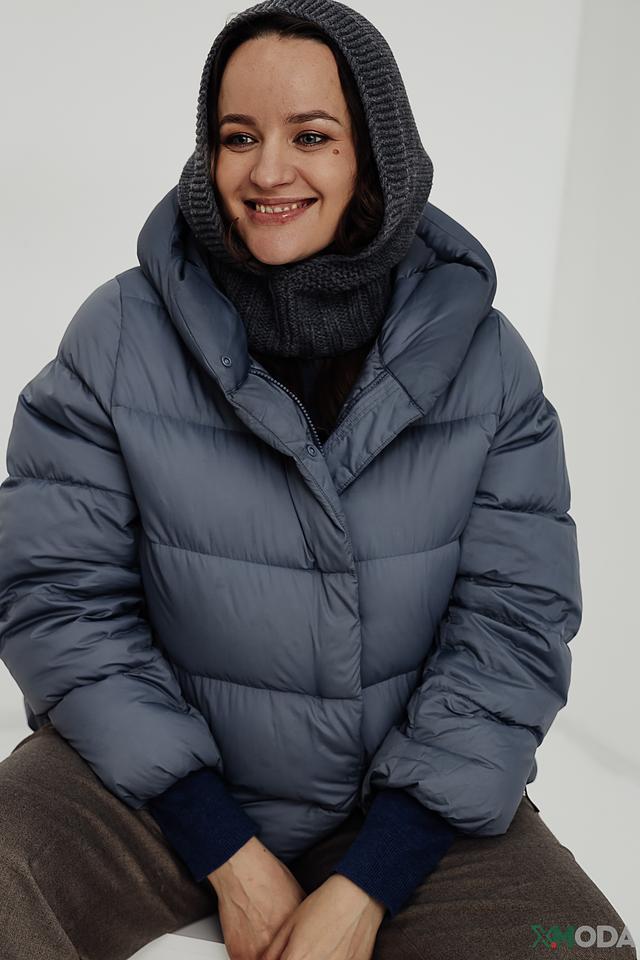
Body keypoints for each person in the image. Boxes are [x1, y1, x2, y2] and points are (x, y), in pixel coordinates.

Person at [0, 1, 635, 958]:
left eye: (311, 136)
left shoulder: (488, 362)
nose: (268, 171)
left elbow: (515, 622)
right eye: (237, 136)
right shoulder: (118, 337)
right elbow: (58, 594)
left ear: (373, 155)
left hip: (404, 807)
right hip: (151, 792)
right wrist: (221, 845)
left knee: (581, 945)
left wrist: (374, 877)